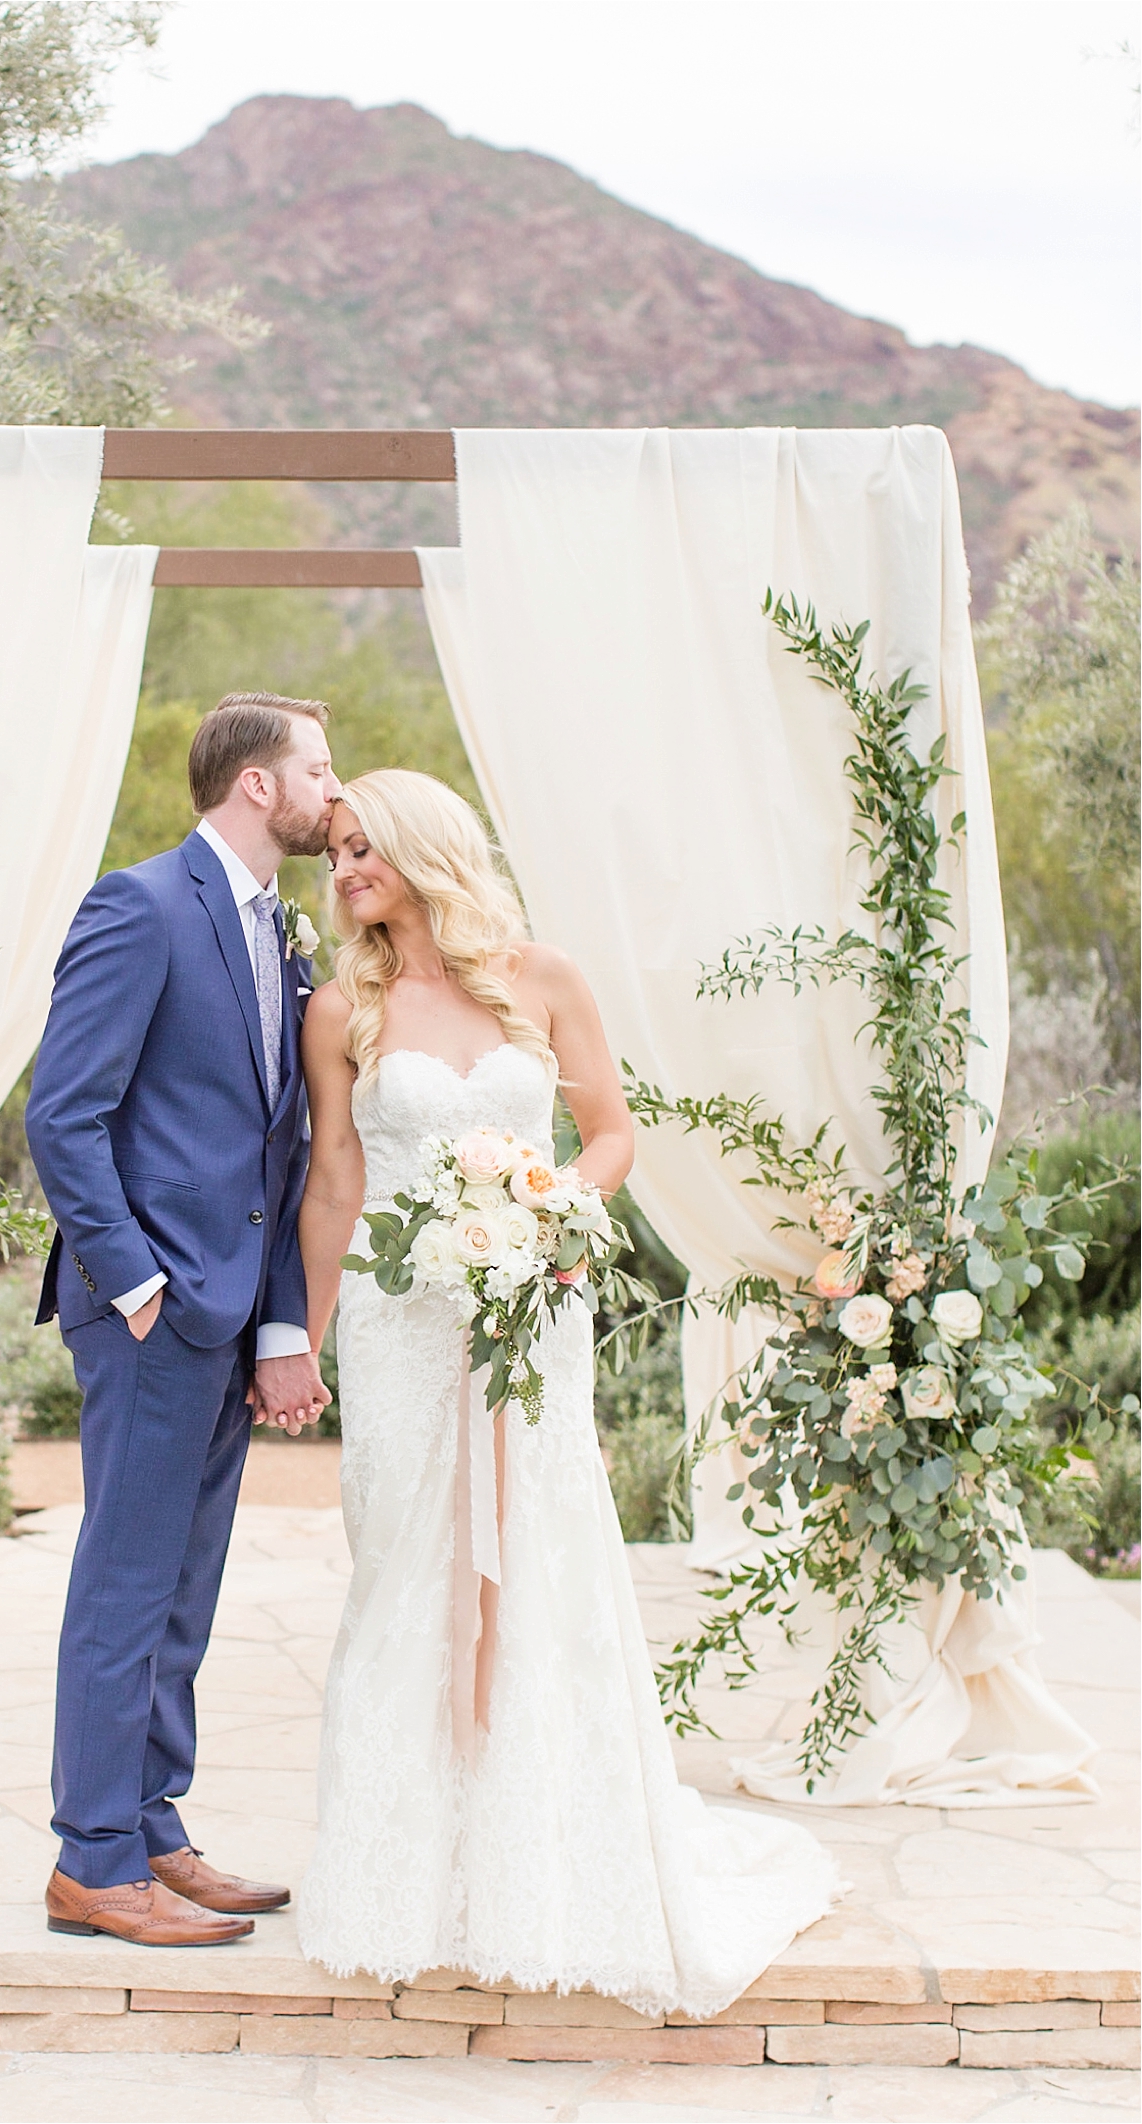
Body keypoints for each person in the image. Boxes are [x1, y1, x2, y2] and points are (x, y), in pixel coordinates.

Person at [293, 769, 840, 2014]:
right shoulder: (343, 1009)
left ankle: (537, 1861)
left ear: (428, 848)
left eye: (363, 845)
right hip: (399, 1323)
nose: (346, 871)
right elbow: (333, 1181)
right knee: (400, 1561)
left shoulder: (540, 978)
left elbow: (608, 1131)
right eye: (334, 852)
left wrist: (544, 1206)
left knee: (535, 1554)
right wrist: (303, 1339)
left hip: (530, 1309)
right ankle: (399, 1878)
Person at [25, 692, 339, 1947]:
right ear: (256, 785)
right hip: (152, 1312)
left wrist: (275, 1325)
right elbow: (64, 1114)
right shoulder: (138, 904)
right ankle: (91, 1862)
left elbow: (274, 1145)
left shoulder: (276, 929)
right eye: (318, 768)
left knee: (181, 1588)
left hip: (223, 1311)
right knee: (126, 1582)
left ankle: (152, 1828)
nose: (335, 789)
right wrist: (139, 1284)